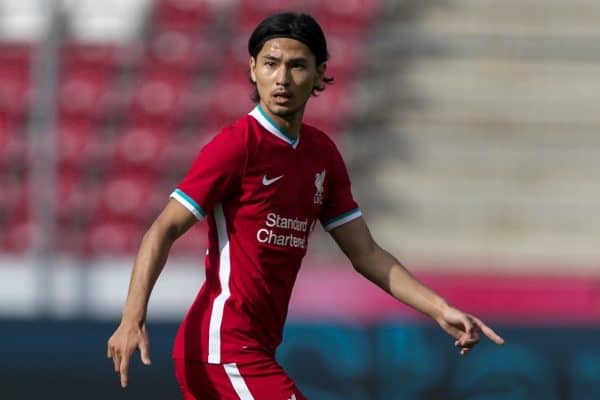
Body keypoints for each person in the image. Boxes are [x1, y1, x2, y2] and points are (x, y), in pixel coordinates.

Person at [107, 12, 505, 399]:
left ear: (319, 73)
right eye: (271, 64)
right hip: (223, 350)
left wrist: (440, 309)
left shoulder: (322, 155)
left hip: (252, 349)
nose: (282, 78)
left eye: (297, 66)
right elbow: (162, 229)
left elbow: (365, 253)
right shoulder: (237, 146)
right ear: (252, 69)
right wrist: (131, 317)